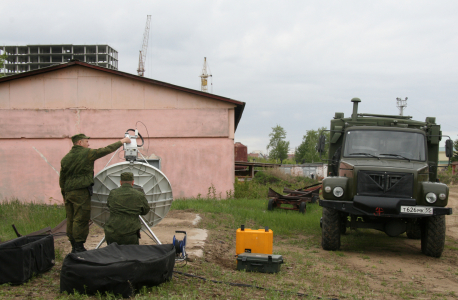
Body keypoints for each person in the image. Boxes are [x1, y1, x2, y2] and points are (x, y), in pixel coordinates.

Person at [59, 133, 131, 253]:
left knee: (71, 218)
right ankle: (78, 246)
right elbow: (105, 150)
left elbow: (62, 179)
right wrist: (122, 141)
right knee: (80, 219)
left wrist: (64, 194)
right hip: (81, 192)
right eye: (86, 142)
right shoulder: (87, 153)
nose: (89, 144)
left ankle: (73, 245)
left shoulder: (65, 158)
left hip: (68, 193)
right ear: (79, 142)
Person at [104, 172, 150, 245]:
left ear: (120, 182)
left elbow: (109, 206)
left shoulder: (113, 193)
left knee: (113, 255)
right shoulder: (139, 195)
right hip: (130, 236)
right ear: (133, 182)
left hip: (112, 234)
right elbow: (145, 211)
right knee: (130, 255)